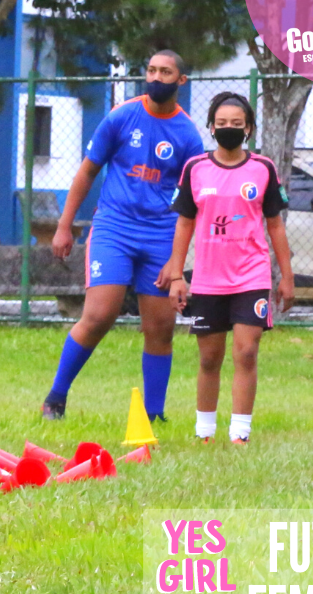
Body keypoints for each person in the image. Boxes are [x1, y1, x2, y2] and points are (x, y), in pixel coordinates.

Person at [42, 51, 204, 421]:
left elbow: (191, 202)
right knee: (99, 314)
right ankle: (55, 398)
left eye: (165, 72)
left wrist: (176, 262)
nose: (156, 77)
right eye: (151, 70)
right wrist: (64, 226)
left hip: (161, 235)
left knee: (160, 327)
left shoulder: (188, 135)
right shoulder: (121, 116)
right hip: (114, 228)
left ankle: (153, 414)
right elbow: (86, 173)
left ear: (181, 81)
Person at [166, 91, 294, 444]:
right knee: (209, 358)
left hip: (251, 275)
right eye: (222, 124)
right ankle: (204, 432)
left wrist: (286, 276)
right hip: (208, 279)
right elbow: (184, 225)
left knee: (247, 351)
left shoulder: (263, 168)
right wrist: (177, 276)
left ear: (248, 128)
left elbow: (276, 226)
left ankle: (240, 434)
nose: (228, 129)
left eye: (236, 124)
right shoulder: (195, 169)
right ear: (211, 127)